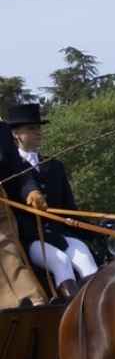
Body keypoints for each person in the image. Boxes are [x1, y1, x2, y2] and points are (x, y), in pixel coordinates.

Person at [7, 103, 97, 300]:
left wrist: (91, 229)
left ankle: (94, 308)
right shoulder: (10, 170)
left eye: (39, 128)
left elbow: (69, 207)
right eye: (31, 129)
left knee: (85, 257)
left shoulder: (55, 166)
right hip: (31, 239)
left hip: (60, 233)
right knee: (61, 262)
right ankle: (71, 312)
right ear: (16, 134)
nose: (38, 132)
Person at [0, 116, 48, 309]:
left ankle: (34, 307)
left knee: (7, 249)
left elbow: (17, 169)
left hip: (2, 216)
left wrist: (31, 190)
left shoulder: (1, 129)